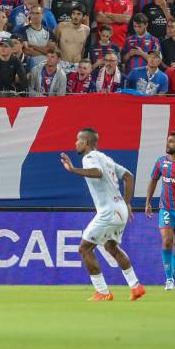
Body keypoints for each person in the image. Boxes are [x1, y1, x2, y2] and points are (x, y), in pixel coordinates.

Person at [60, 127, 146, 301]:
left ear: (85, 142)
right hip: (119, 209)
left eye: (78, 140)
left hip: (109, 211)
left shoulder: (89, 157)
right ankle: (136, 286)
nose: (76, 143)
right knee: (111, 247)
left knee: (84, 249)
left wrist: (73, 170)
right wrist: (126, 203)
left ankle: (102, 292)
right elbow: (129, 176)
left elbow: (97, 173)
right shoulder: (106, 159)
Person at [143, 131, 175, 291]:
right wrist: (148, 202)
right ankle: (169, 279)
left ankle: (174, 273)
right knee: (167, 240)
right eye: (167, 141)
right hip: (166, 209)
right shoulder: (161, 162)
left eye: (171, 141)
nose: (167, 144)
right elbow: (153, 180)